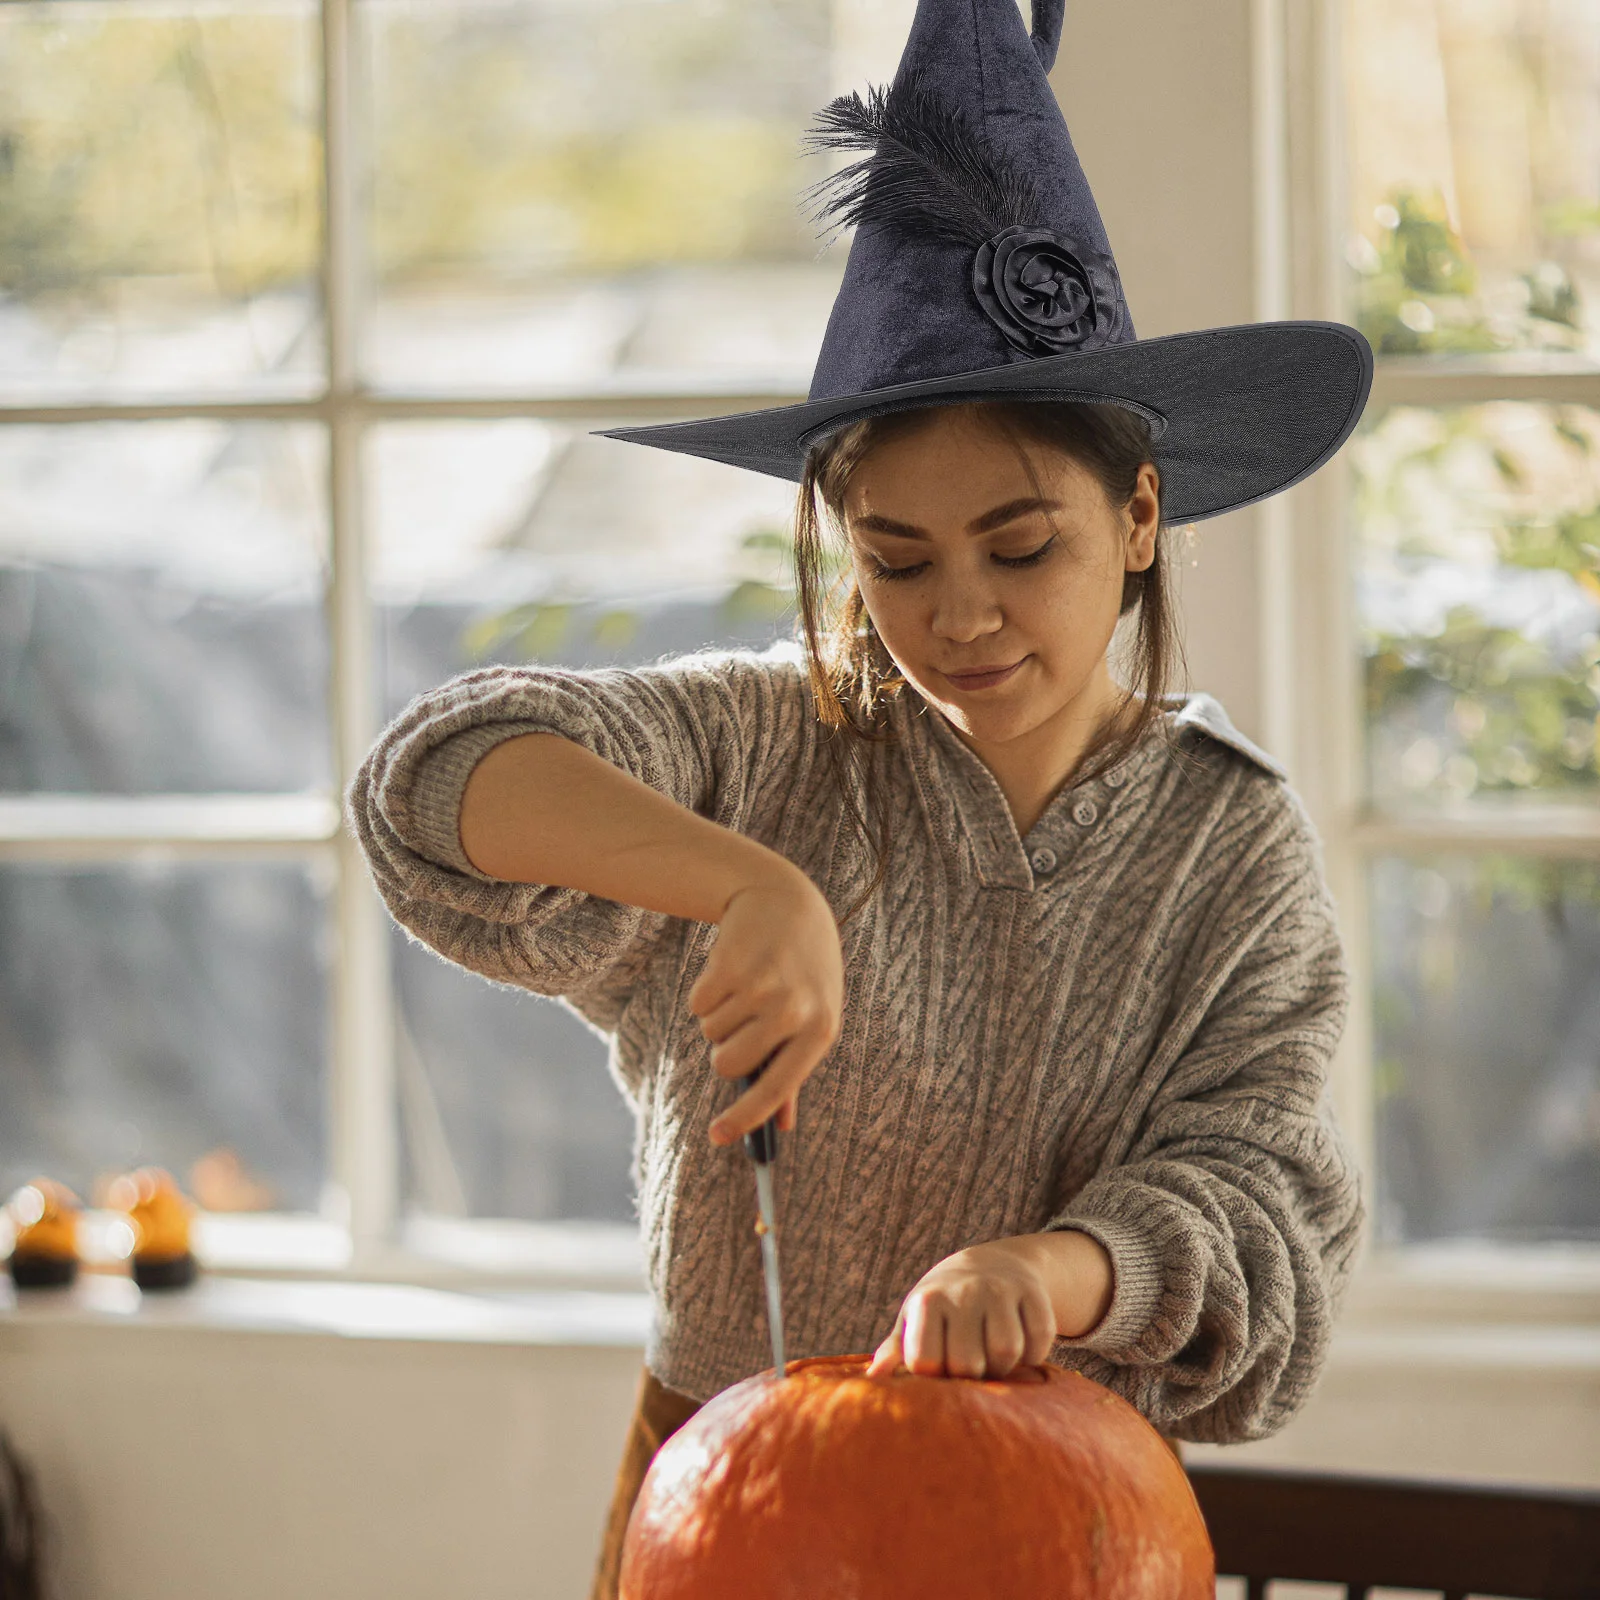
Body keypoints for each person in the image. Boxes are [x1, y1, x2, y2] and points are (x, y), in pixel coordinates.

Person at [347, 2, 1374, 1594]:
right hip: (731, 1485)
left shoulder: (1232, 844)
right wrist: (748, 882)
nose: (958, 616)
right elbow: (430, 781)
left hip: (1068, 1507)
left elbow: (1264, 1210)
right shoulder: (767, 745)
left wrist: (1061, 1268)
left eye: (1021, 548)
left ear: (1143, 514)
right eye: (895, 562)